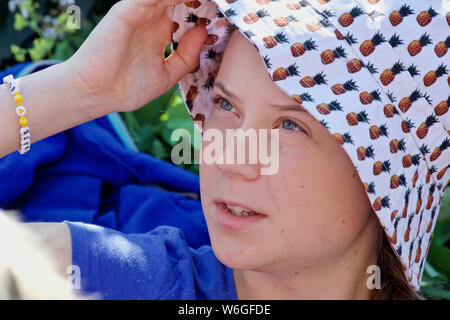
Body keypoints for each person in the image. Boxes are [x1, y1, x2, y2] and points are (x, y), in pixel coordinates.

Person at [0, 0, 448, 299]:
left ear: (387, 177)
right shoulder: (110, 279)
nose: (231, 156)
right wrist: (78, 90)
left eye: (289, 125)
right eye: (227, 104)